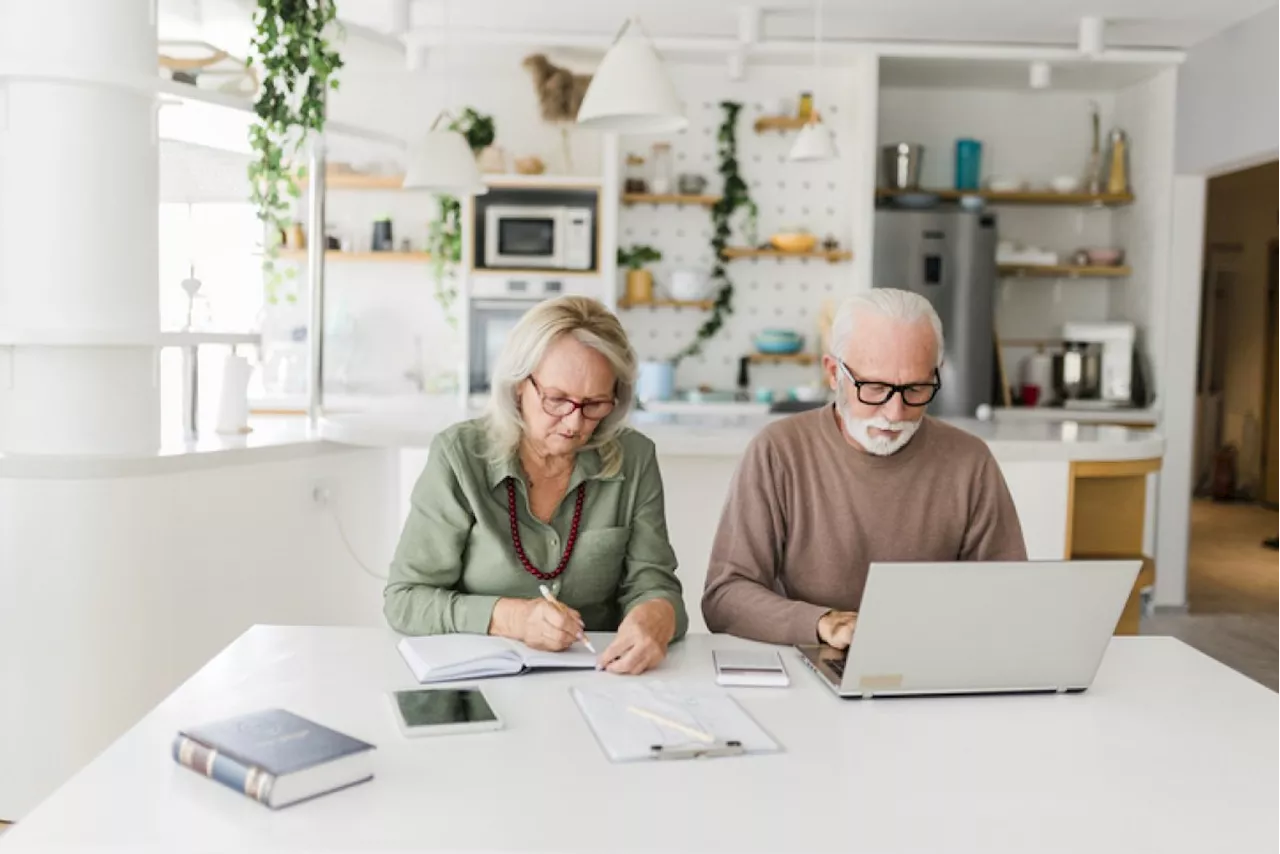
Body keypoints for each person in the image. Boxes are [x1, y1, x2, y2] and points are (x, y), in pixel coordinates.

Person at [702, 288, 1026, 649]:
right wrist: (822, 623)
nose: (895, 413)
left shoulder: (970, 461)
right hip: (808, 665)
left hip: (933, 663)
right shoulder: (779, 451)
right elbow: (724, 597)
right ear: (832, 372)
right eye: (874, 387)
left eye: (916, 389)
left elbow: (1007, 597)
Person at [384, 296, 687, 675]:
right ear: (518, 387)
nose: (574, 423)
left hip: (600, 679)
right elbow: (405, 600)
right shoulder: (459, 456)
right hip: (477, 680)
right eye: (557, 400)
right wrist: (509, 618)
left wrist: (656, 616)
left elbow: (654, 583)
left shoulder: (634, 458)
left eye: (594, 404)